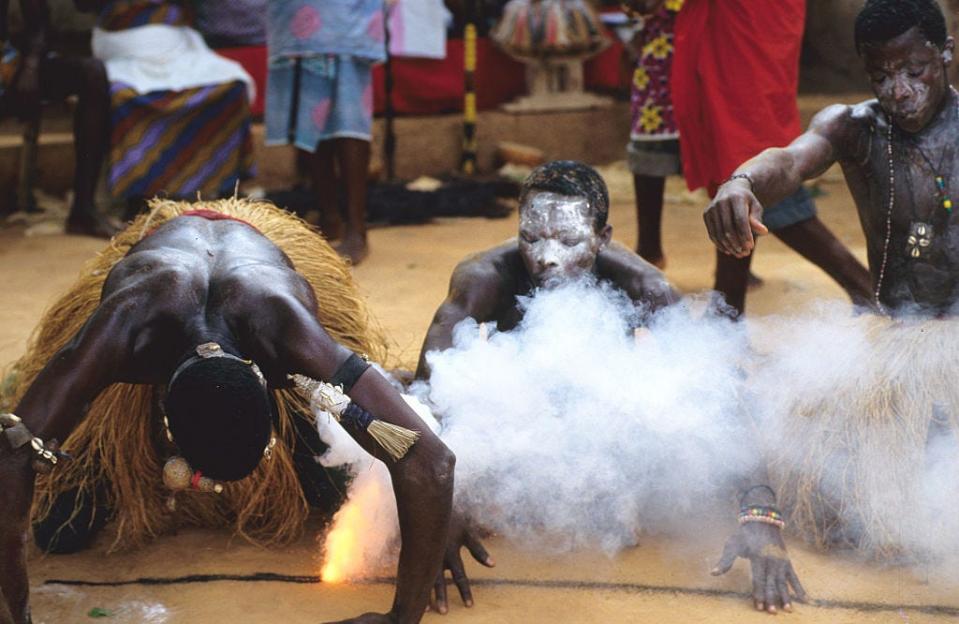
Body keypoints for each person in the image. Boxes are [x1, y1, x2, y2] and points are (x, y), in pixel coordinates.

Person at [0, 198, 454, 624]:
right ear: (164, 421)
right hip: (167, 257)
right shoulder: (123, 328)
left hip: (249, 265)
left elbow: (429, 462)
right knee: (60, 530)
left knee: (341, 497)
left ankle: (305, 453)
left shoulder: (289, 333)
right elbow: (12, 448)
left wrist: (405, 609)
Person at [703, 0, 959, 613]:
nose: (899, 91)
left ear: (947, 55)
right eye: (882, 75)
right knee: (837, 501)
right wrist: (740, 182)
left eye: (916, 70)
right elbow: (788, 160)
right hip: (891, 343)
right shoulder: (855, 127)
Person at [671, 0, 873, 316]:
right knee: (735, 167)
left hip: (747, 25)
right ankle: (726, 316)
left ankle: (864, 288)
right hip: (742, 24)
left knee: (750, 152)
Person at [416, 160, 678, 378]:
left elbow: (696, 380)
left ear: (602, 238)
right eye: (531, 238)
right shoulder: (485, 277)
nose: (546, 257)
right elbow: (429, 382)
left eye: (568, 241)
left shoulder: (645, 285)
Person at [75, 0, 256, 219]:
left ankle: (228, 192)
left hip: (180, 45)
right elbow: (83, 5)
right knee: (125, 95)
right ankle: (139, 197)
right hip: (125, 47)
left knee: (232, 85)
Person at [266, 0, 384, 265]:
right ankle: (329, 216)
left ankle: (356, 226)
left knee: (349, 119)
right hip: (294, 18)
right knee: (309, 117)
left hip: (344, 18)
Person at [0, 0, 115, 237]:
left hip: (11, 68)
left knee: (92, 74)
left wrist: (31, 65)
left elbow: (38, 22)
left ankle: (83, 210)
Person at [620, 0, 683, 268]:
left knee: (723, 162)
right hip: (658, 62)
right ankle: (649, 249)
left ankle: (733, 264)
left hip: (708, 55)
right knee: (649, 151)